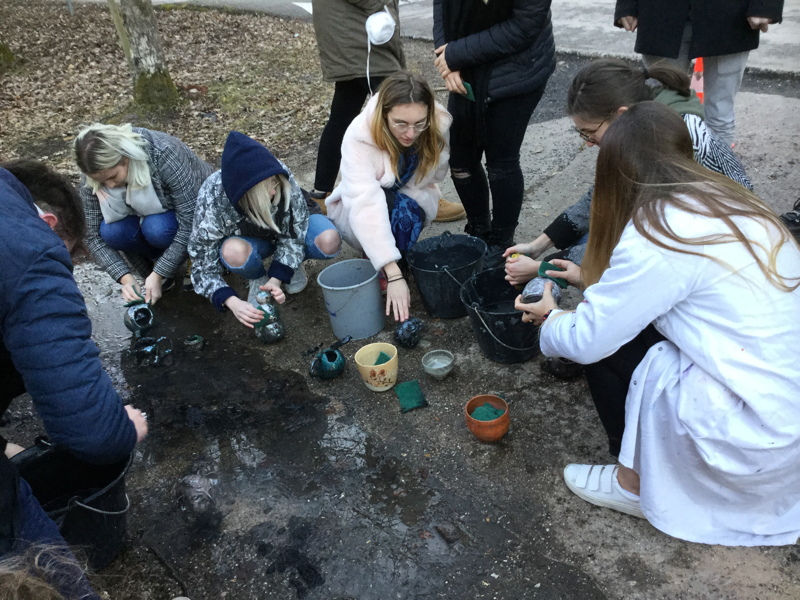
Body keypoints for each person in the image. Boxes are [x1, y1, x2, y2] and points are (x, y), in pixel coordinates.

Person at [514, 102, 800, 546]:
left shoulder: (659, 229)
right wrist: (591, 276)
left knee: (613, 343)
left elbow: (589, 338)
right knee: (619, 319)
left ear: (618, 172)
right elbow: (679, 287)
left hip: (755, 434)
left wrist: (550, 319)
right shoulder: (731, 199)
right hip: (785, 407)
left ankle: (636, 483)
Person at [1, 164, 148, 599]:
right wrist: (123, 429)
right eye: (68, 256)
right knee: (23, 534)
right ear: (47, 224)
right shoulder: (27, 250)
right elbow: (95, 435)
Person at [504, 59, 753, 286]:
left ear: (621, 114)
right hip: (686, 224)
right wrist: (538, 246)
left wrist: (545, 268)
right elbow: (602, 194)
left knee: (604, 262)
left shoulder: (670, 145)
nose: (588, 142)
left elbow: (636, 239)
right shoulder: (640, 125)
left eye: (590, 131)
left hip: (727, 246)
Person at [309, 0, 464, 224]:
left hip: (354, 32)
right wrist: (380, 6)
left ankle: (321, 194)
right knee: (405, 111)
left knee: (344, 112)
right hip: (362, 36)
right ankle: (421, 194)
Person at [433, 0, 556, 267]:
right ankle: (479, 229)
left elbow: (524, 25)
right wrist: (446, 57)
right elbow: (442, 6)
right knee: (461, 159)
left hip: (517, 68)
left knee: (501, 161)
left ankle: (501, 241)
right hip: (466, 67)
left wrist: (457, 53)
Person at [325, 71, 451, 323]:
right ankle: (383, 259)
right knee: (390, 207)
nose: (410, 134)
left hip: (406, 194)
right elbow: (364, 203)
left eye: (419, 124)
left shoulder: (435, 123)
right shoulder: (358, 136)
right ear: (384, 114)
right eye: (400, 123)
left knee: (407, 213)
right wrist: (393, 274)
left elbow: (433, 177)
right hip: (361, 207)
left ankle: (397, 253)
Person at [189, 131, 341, 327]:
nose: (274, 191)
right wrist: (231, 301)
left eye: (275, 184)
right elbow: (202, 264)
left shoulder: (276, 174)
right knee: (232, 252)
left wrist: (278, 277)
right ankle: (257, 276)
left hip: (285, 232)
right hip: (251, 240)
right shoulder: (213, 197)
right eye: (266, 190)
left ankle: (289, 266)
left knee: (328, 240)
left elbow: (295, 233)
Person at [74, 123, 213, 305]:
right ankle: (159, 263)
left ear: (126, 158)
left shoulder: (164, 154)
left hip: (193, 215)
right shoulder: (94, 174)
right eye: (102, 182)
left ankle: (194, 259)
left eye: (113, 177)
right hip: (147, 215)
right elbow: (91, 236)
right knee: (111, 231)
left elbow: (191, 220)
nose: (110, 186)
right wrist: (125, 277)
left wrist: (159, 273)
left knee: (157, 229)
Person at [613, 0, 784, 146]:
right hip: (660, 12)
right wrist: (626, 4)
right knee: (660, 111)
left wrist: (766, 4)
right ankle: (663, 177)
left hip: (731, 15)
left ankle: (717, 177)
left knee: (720, 113)